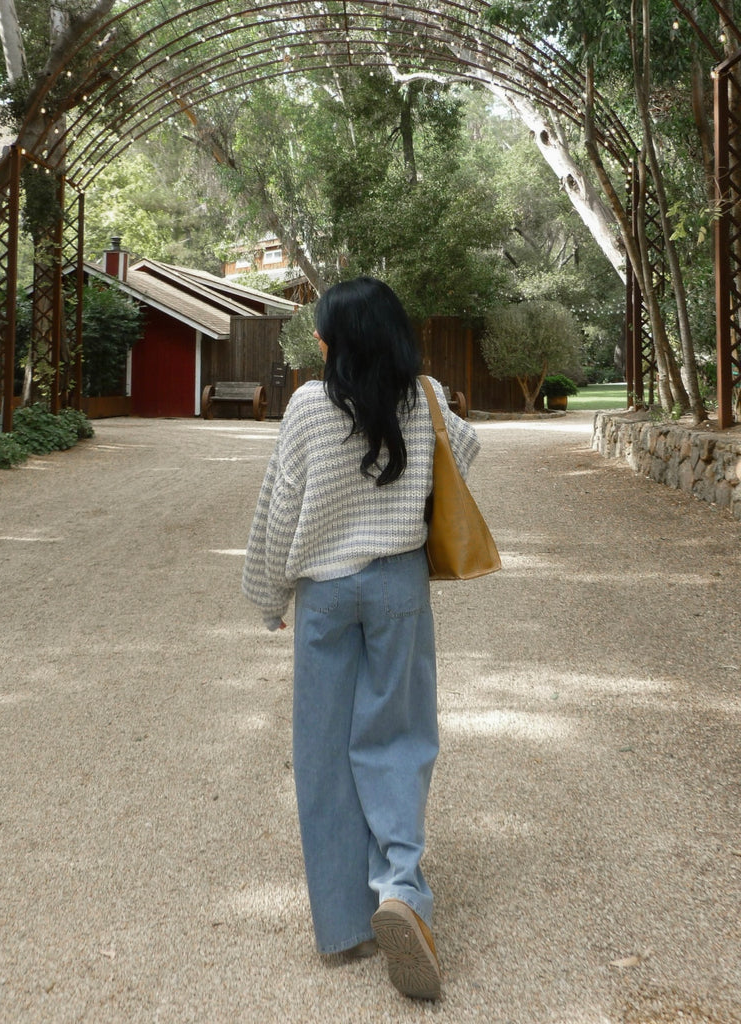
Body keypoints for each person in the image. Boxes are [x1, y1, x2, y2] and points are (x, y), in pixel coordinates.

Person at [242, 276, 480, 1001]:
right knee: (399, 737)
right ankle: (401, 890)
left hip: (326, 596)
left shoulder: (310, 407)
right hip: (399, 586)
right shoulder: (427, 397)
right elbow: (463, 455)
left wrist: (266, 595)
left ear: (336, 340)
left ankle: (344, 924)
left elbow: (280, 503)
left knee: (323, 751)